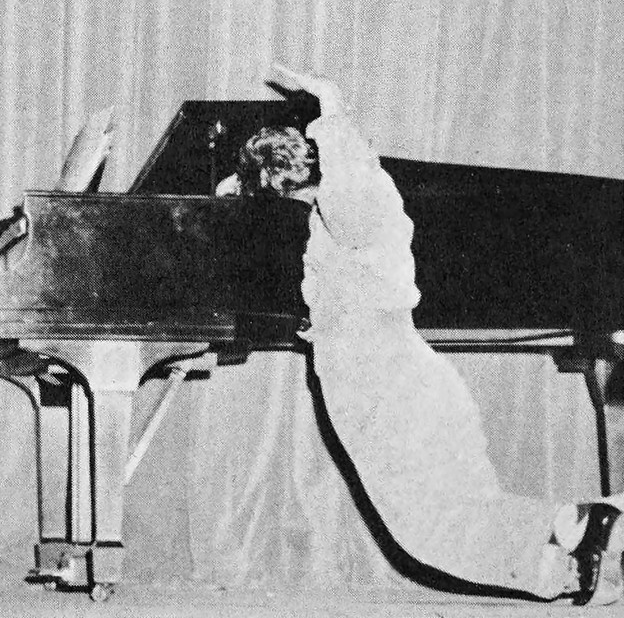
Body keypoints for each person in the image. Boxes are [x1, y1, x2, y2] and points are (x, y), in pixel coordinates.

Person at [215, 63, 624, 606]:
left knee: (432, 530)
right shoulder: (336, 213)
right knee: (452, 520)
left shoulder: (356, 201)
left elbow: (352, 203)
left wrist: (332, 114)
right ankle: (575, 558)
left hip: (383, 382)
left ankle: (588, 526)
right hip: (393, 376)